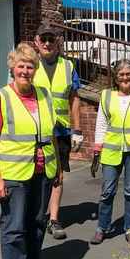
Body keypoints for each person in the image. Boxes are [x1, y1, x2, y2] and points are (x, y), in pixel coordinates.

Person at [0, 43, 62, 259]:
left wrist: (58, 169)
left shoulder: (44, 96)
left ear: (35, 69)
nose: (25, 71)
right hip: (14, 174)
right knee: (14, 227)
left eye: (30, 66)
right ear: (12, 68)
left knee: (37, 223)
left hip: (43, 171)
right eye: (21, 66)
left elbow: (51, 137)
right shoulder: (0, 98)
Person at [91, 59, 130, 245]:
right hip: (112, 150)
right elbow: (101, 124)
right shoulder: (107, 96)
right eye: (121, 74)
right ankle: (102, 227)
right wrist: (97, 149)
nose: (125, 77)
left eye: (128, 74)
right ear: (116, 78)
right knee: (107, 191)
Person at [33, 21, 83, 240]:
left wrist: (78, 129)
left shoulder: (68, 66)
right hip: (36, 131)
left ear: (58, 43)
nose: (46, 43)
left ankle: (53, 219)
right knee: (35, 174)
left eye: (50, 39)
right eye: (43, 39)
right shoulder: (29, 65)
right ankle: (35, 216)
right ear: (36, 42)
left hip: (61, 131)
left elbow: (74, 98)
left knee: (57, 175)